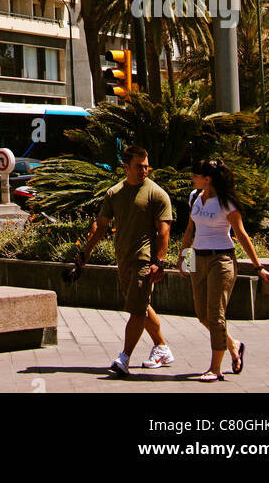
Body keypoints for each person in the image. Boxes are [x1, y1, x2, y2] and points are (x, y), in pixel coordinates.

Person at [65, 144, 175, 377]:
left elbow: (164, 230)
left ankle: (123, 358)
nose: (144, 171)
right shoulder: (114, 194)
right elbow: (100, 225)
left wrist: (160, 261)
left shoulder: (157, 194)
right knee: (141, 306)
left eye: (146, 167)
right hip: (123, 260)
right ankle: (162, 348)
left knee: (136, 309)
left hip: (144, 261)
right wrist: (85, 254)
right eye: (139, 167)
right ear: (126, 166)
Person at [179, 156, 269, 382]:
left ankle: (215, 368)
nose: (192, 179)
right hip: (198, 259)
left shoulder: (226, 203)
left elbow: (241, 235)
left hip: (221, 260)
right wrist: (185, 259)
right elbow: (189, 231)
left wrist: (258, 267)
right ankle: (234, 345)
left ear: (207, 179)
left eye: (195, 176)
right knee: (202, 315)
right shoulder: (195, 197)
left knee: (216, 315)